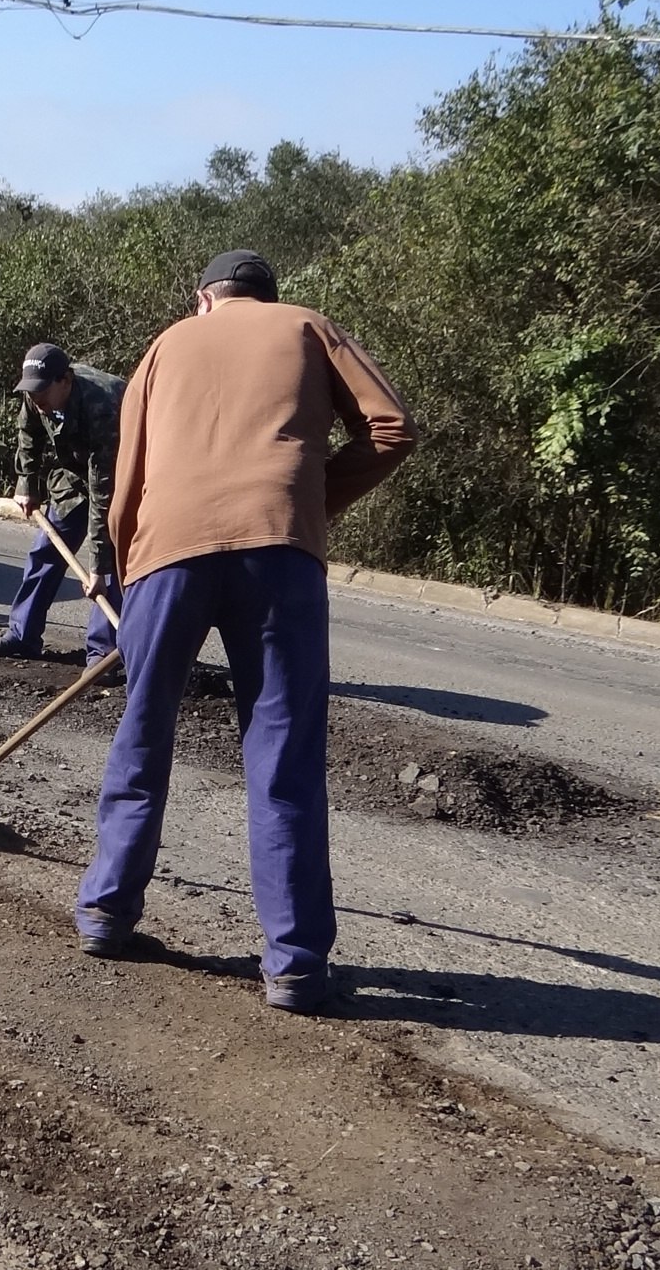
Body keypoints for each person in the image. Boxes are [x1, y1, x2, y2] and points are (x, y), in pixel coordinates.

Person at [75, 250, 418, 1014]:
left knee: (143, 729)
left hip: (167, 551)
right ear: (268, 295)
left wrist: (132, 576)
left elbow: (126, 473)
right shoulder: (307, 326)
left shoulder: (167, 343)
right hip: (280, 555)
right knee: (282, 753)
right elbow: (391, 430)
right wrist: (304, 503)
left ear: (205, 299)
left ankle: (104, 912)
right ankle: (293, 966)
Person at [0, 343, 123, 672]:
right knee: (47, 549)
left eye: (42, 390)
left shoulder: (103, 406)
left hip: (121, 475)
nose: (35, 398)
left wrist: (98, 565)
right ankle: (22, 634)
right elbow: (28, 434)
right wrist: (27, 484)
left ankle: (102, 654)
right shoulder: (36, 396)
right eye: (30, 390)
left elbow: (103, 490)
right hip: (74, 474)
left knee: (108, 567)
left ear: (66, 381)